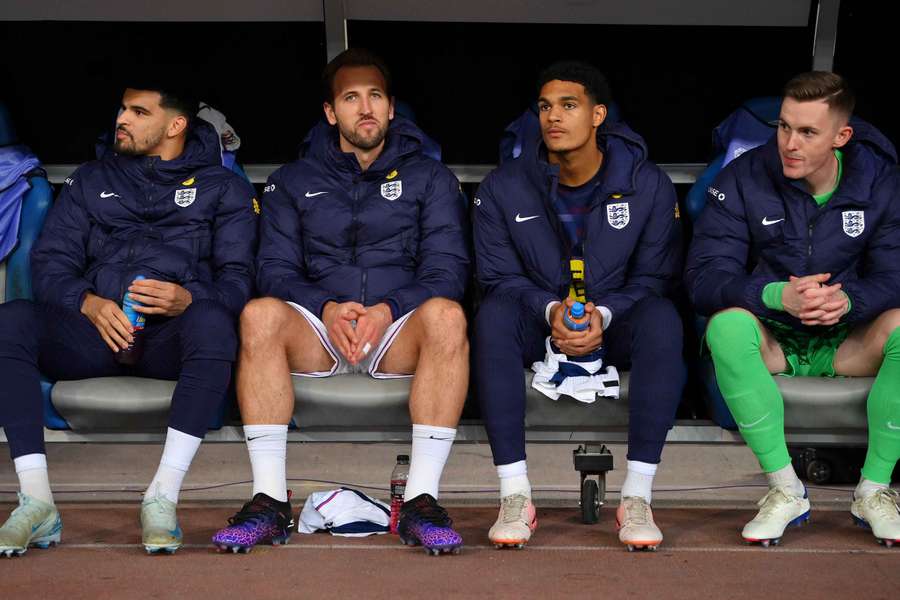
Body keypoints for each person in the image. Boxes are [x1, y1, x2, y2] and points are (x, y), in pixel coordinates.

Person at [211, 48, 470, 555]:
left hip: (398, 330)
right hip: (319, 330)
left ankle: (420, 504)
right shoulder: (294, 180)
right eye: (351, 98)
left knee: (447, 314)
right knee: (259, 313)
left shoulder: (429, 178)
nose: (365, 108)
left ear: (392, 107)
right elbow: (273, 271)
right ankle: (268, 502)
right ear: (331, 112)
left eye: (375, 96)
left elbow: (448, 272)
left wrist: (386, 309)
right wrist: (328, 306)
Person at [0, 84, 258, 556]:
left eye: (139, 112)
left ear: (175, 125)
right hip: (96, 331)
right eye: (122, 108)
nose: (123, 118)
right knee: (10, 320)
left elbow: (240, 280)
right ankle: (36, 501)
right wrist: (88, 303)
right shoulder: (91, 178)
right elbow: (50, 263)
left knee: (213, 322)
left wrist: (188, 298)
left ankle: (162, 497)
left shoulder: (224, 187)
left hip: (170, 339)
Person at [472, 61, 684, 551]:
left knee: (662, 318)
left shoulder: (646, 184)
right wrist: (550, 310)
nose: (554, 117)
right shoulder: (504, 186)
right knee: (493, 315)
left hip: (618, 320)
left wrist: (604, 315)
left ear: (598, 115)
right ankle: (515, 494)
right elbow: (497, 278)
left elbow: (655, 278)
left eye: (569, 106)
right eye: (545, 107)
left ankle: (637, 497)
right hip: (539, 320)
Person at [686, 71, 900, 547]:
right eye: (783, 127)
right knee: (724, 328)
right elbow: (703, 278)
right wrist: (773, 295)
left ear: (841, 137)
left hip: (848, 340)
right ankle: (785, 490)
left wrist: (849, 300)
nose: (790, 143)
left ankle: (874, 491)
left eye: (807, 132)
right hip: (775, 338)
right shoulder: (743, 177)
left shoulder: (879, 181)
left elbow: (894, 273)